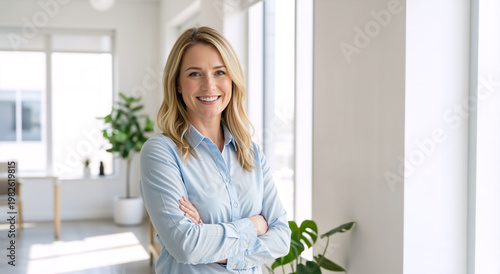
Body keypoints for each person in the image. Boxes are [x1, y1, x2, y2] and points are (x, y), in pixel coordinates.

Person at [140, 26, 291, 273]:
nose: (209, 85)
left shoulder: (250, 152)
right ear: (177, 84)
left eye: (219, 72)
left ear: (232, 79)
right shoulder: (160, 153)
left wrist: (217, 249)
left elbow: (282, 238)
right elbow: (187, 246)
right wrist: (254, 226)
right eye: (194, 74)